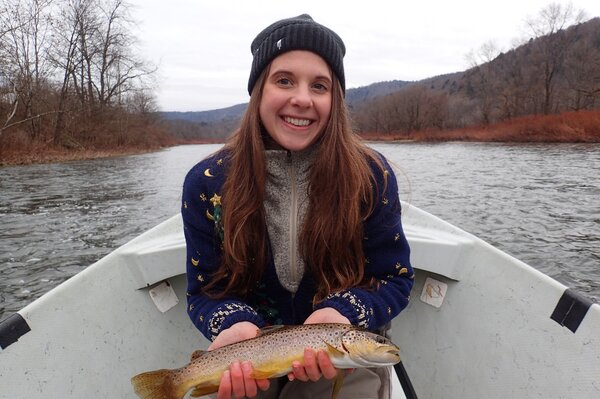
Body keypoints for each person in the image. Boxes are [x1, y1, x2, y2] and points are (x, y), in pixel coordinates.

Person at [181, 14, 414, 399]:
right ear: (258, 90)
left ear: (335, 100)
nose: (302, 98)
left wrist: (342, 314)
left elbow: (396, 279)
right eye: (284, 80)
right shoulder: (206, 183)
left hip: (341, 350)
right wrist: (235, 325)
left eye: (319, 85)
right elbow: (204, 292)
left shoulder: (371, 176)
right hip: (251, 350)